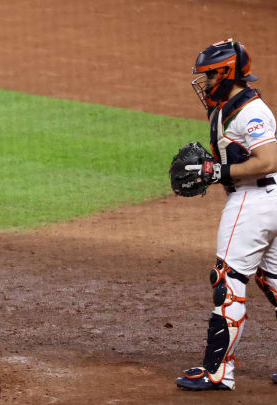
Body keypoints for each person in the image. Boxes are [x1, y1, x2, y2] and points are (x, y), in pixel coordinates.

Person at [175, 39, 277, 391]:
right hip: (267, 199)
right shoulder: (229, 106)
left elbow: (268, 160)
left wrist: (217, 172)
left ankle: (217, 371)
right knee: (272, 278)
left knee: (227, 281)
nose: (204, 82)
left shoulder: (251, 111)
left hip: (254, 201)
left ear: (226, 72)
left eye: (208, 74)